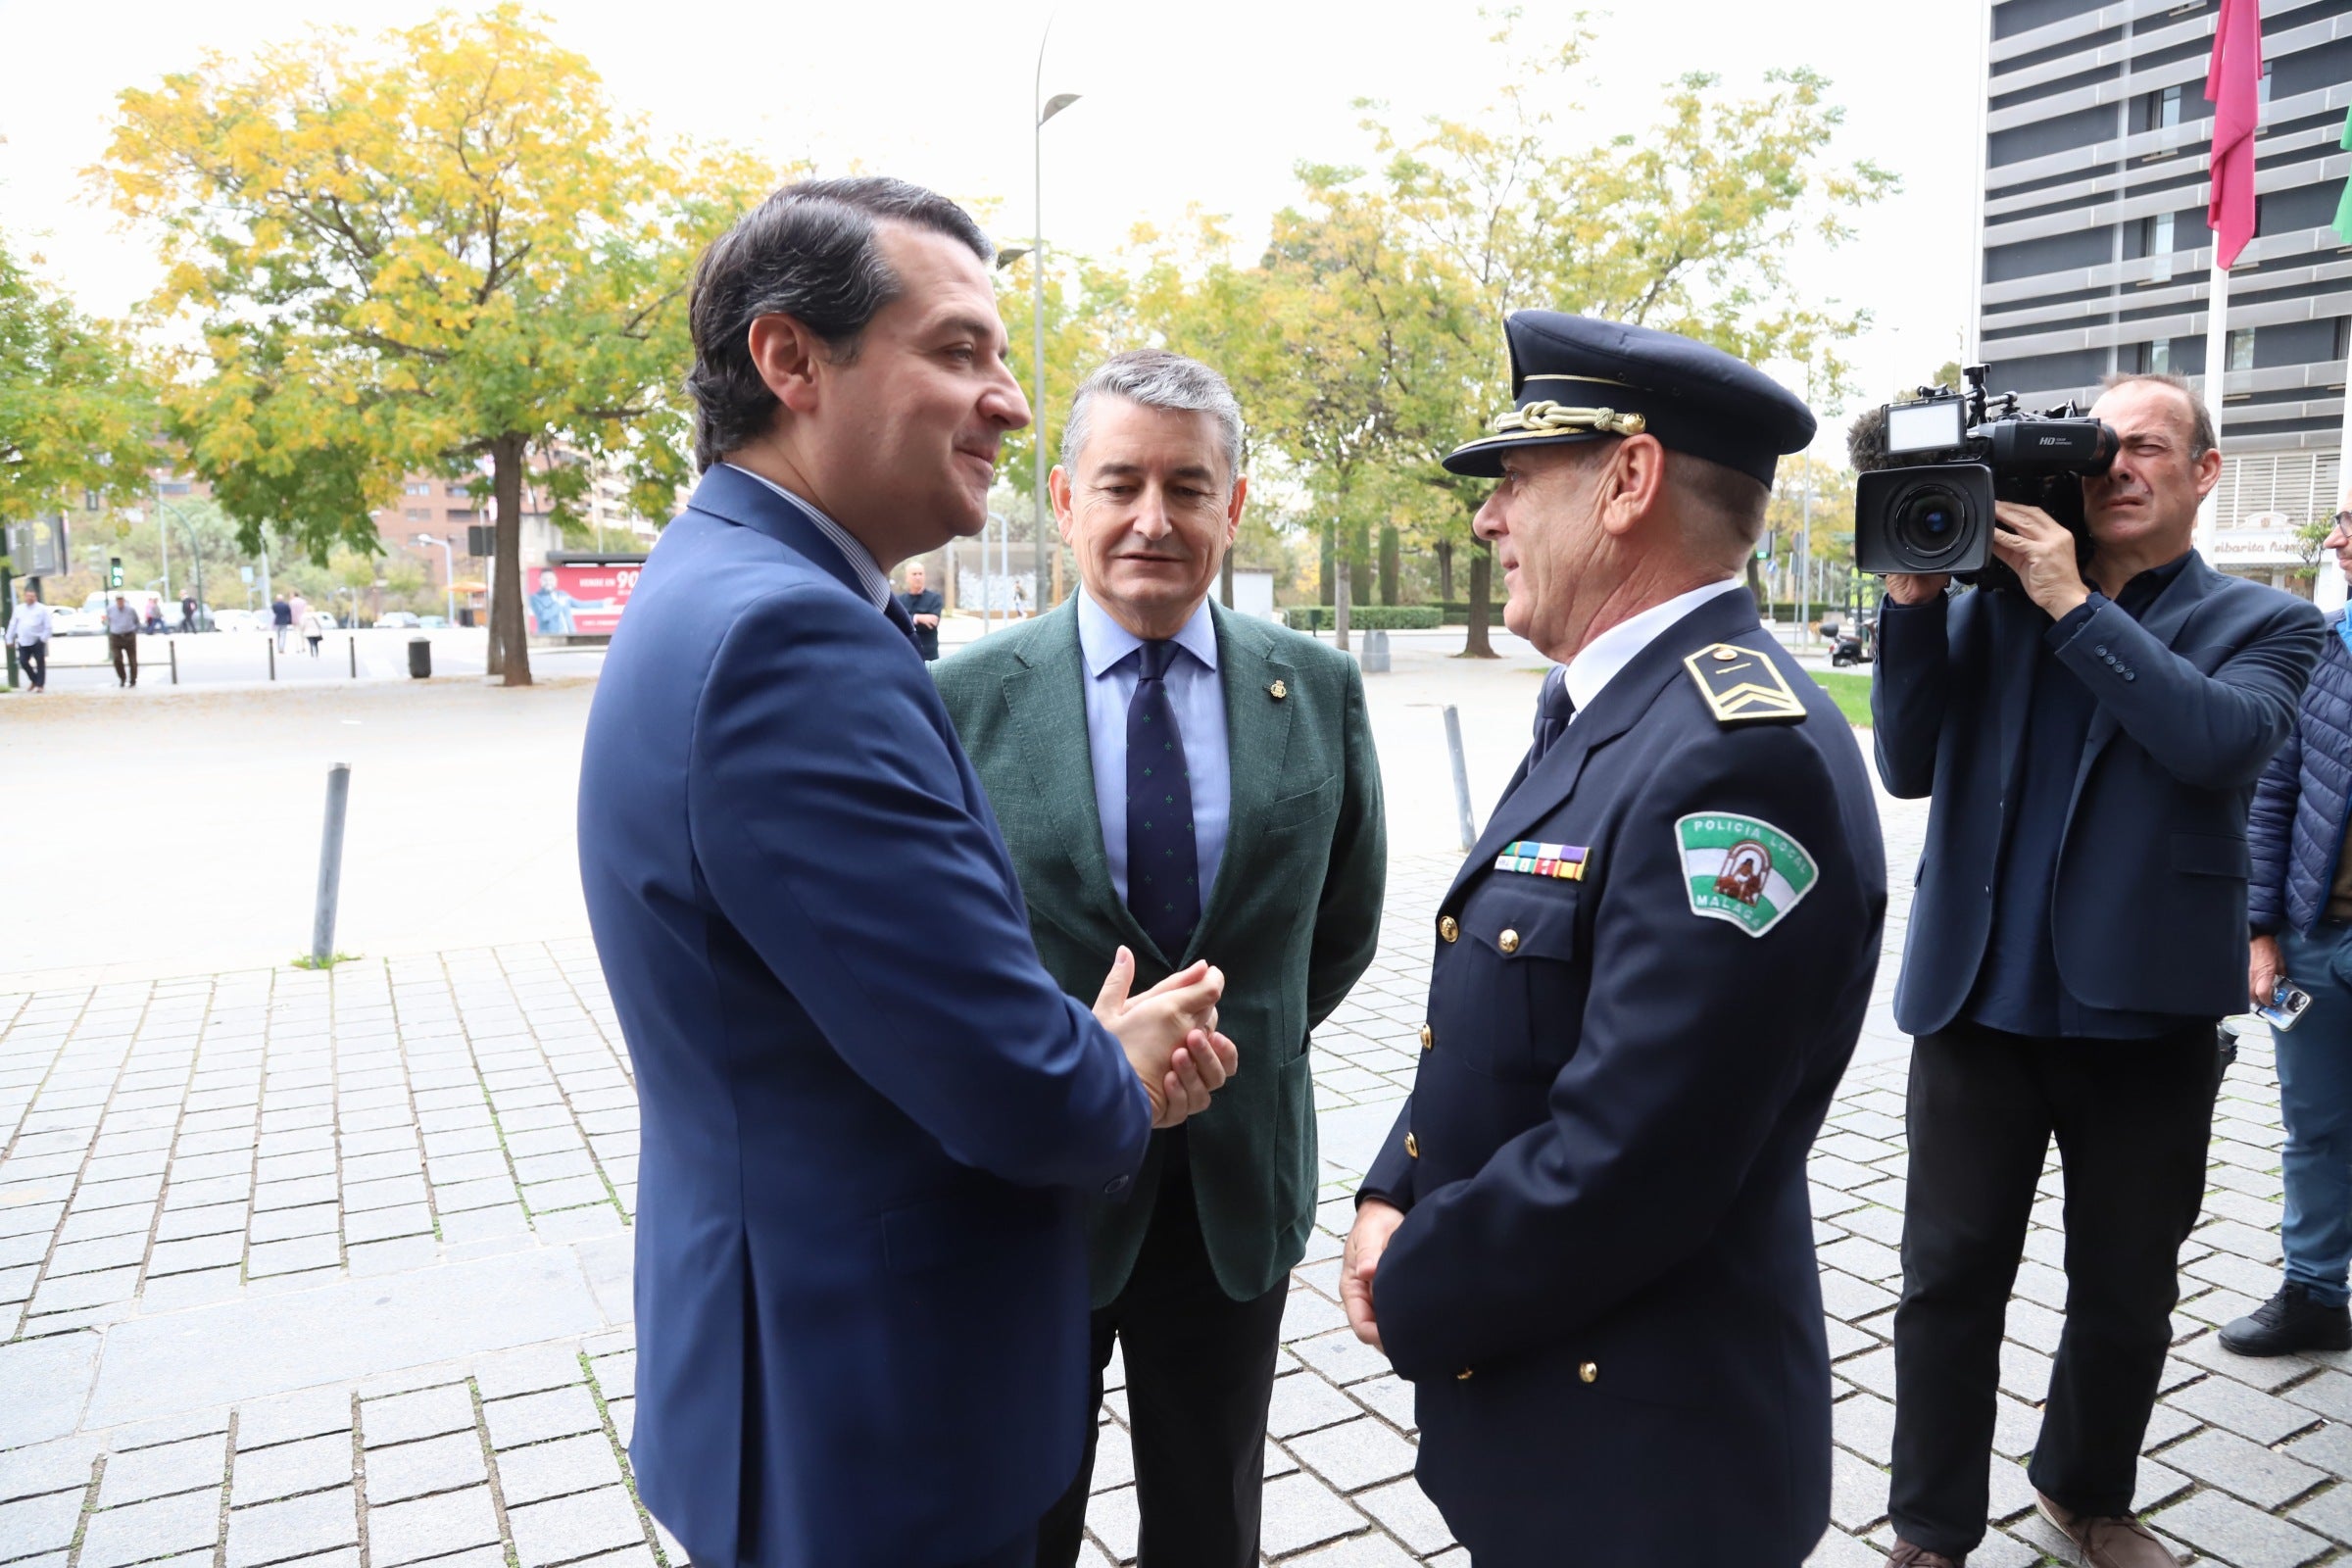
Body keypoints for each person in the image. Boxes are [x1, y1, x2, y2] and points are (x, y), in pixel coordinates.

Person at [575, 176, 1242, 1568]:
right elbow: (1017, 1092)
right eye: (959, 351)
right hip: (875, 1430)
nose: (1007, 399)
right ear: (790, 359)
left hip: (808, 1390)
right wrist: (1112, 1063)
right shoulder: (789, 647)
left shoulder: (727, 588)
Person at [1341, 312, 1886, 1566]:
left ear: (1628, 481)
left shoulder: (1735, 758)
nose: (1489, 519)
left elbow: (1640, 1155)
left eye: (1516, 483)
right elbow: (1503, 1017)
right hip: (1562, 1415)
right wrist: (1394, 1183)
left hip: (1645, 1464)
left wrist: (1411, 1278)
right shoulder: (1621, 707)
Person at [935, 350, 1387, 1568]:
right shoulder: (957, 700)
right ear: (1064, 496)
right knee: (1020, 1521)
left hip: (1235, 1195)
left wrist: (1213, 1054)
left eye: (1189, 487)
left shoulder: (1321, 687)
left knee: (1210, 1520)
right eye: (1121, 482)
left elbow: (1338, 930)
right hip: (1032, 1200)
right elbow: (939, 958)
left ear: (1232, 507)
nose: (1154, 518)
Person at [1870, 372, 2325, 1568]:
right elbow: (1907, 765)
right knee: (1947, 1280)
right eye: (2100, 448)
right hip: (1978, 1004)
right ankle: (1930, 1528)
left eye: (2150, 448)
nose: (2119, 467)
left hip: (2151, 1019)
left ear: (2204, 472)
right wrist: (1916, 603)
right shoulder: (1990, 602)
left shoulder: (2266, 623)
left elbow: (2215, 741)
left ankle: (2085, 1494)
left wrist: (2074, 601)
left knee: (2125, 1287)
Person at [2236, 498, 2352, 1357]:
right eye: (2337, 521)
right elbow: (2275, 795)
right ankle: (2314, 1294)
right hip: (2320, 941)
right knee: (2315, 1129)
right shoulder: (2327, 644)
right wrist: (2261, 931)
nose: (2336, 539)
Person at [7, 585, 51, 692]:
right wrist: (9, 638)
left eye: (32, 596)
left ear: (35, 597)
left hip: (37, 640)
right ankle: (34, 680)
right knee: (23, 661)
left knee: (40, 662)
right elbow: (13, 624)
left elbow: (48, 626)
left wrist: (43, 639)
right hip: (23, 640)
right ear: (25, 596)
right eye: (28, 596)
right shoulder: (19, 609)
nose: (30, 598)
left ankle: (40, 685)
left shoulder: (42, 609)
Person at [897, 561, 944, 660]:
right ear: (907, 578)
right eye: (914, 574)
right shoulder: (899, 600)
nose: (918, 577)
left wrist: (908, 619)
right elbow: (897, 623)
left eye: (920, 574)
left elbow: (933, 621)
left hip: (929, 655)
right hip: (906, 653)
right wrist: (918, 618)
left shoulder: (935, 598)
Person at [105, 593, 140, 687]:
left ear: (124, 600)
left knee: (132, 659)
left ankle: (133, 679)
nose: (120, 601)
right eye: (118, 600)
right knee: (117, 658)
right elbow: (107, 621)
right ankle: (122, 678)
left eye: (121, 600)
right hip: (116, 636)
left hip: (129, 635)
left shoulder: (130, 610)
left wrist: (134, 631)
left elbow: (137, 621)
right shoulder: (110, 609)